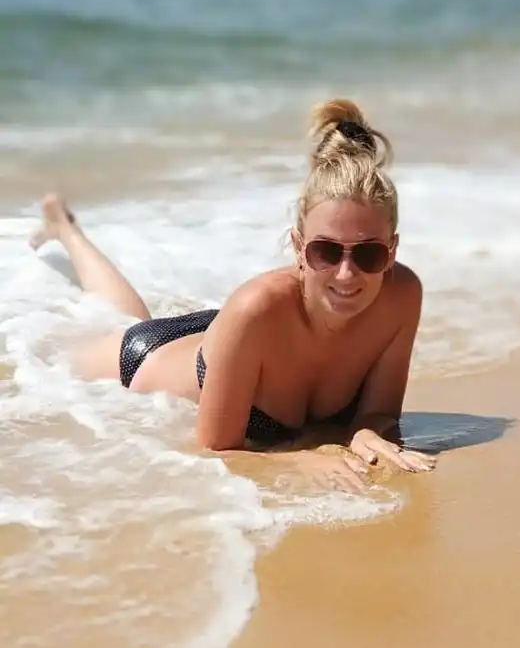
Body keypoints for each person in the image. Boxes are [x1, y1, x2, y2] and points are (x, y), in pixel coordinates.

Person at [30, 98, 436, 491]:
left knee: (125, 315)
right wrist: (298, 459)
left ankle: (65, 228)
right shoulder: (255, 308)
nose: (346, 273)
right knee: (74, 343)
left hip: (234, 338)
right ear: (299, 247)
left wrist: (368, 433)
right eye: (325, 252)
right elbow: (213, 450)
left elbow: (379, 414)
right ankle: (65, 228)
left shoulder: (401, 297)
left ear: (392, 250)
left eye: (368, 254)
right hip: (147, 361)